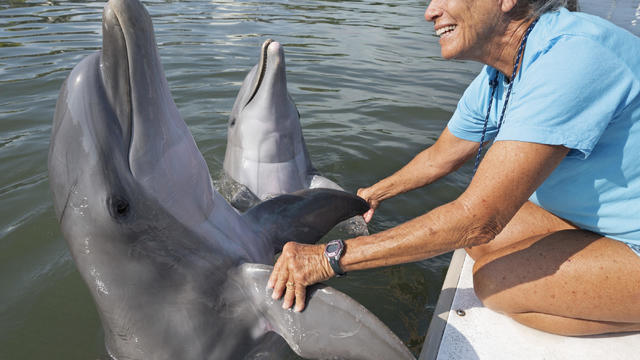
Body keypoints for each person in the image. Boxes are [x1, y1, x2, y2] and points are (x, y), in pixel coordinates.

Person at [267, 0, 640, 336]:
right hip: (609, 223)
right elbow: (443, 154)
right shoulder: (503, 73)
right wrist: (373, 194)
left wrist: (329, 258)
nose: (430, 11)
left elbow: (479, 218)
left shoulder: (570, 57)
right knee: (485, 247)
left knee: (494, 281)